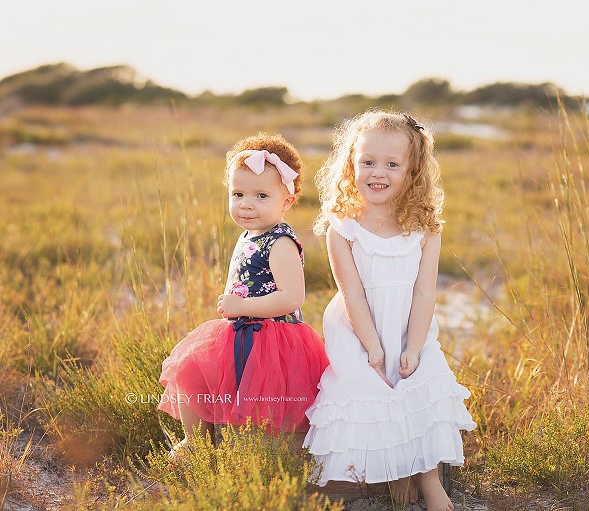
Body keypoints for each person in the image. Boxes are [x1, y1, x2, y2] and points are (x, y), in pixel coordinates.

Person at [303, 110, 476, 511]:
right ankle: (396, 473)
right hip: (358, 331)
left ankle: (429, 481)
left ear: (412, 170)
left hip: (409, 328)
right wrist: (374, 348)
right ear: (351, 164)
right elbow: (353, 295)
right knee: (370, 390)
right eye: (367, 162)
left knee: (421, 384)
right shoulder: (342, 227)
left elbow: (423, 294)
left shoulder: (424, 227)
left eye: (392, 164)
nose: (377, 172)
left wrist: (412, 347)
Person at [158, 133, 330, 456]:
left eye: (261, 195)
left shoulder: (280, 242)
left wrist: (242, 305)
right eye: (238, 194)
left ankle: (258, 454)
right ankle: (197, 443)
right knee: (190, 370)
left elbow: (292, 298)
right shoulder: (249, 234)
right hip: (238, 333)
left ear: (287, 201)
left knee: (263, 402)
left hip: (273, 340)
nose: (246, 204)